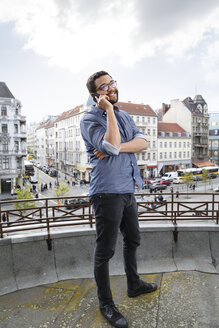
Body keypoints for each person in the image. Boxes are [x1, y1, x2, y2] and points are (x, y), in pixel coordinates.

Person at [80, 71, 157, 328]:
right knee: (105, 251)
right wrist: (109, 112)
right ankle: (106, 304)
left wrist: (117, 147)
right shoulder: (90, 119)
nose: (111, 88)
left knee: (133, 238)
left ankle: (133, 284)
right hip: (106, 191)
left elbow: (141, 142)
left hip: (127, 188)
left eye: (112, 82)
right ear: (95, 95)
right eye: (104, 87)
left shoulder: (125, 115)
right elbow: (110, 143)